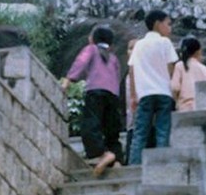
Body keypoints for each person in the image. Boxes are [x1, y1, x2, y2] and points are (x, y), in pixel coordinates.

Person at [61, 25, 123, 176]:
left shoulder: (91, 49)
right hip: (113, 96)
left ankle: (102, 154)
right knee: (111, 131)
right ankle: (116, 161)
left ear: (93, 39)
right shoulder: (113, 58)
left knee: (90, 125)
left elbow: (80, 62)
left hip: (95, 92)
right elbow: (118, 77)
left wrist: (68, 81)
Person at [128, 9, 178, 165]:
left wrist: (134, 95)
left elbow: (132, 70)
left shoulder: (139, 45)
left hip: (145, 94)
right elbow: (171, 68)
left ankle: (134, 165)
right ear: (158, 24)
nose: (170, 28)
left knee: (140, 133)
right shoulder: (165, 42)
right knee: (163, 130)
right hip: (164, 93)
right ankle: (162, 165)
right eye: (168, 24)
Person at [171, 36, 206, 112]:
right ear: (198, 51)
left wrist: (176, 100)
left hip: (184, 108)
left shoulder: (180, 66)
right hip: (202, 108)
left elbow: (175, 88)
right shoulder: (204, 69)